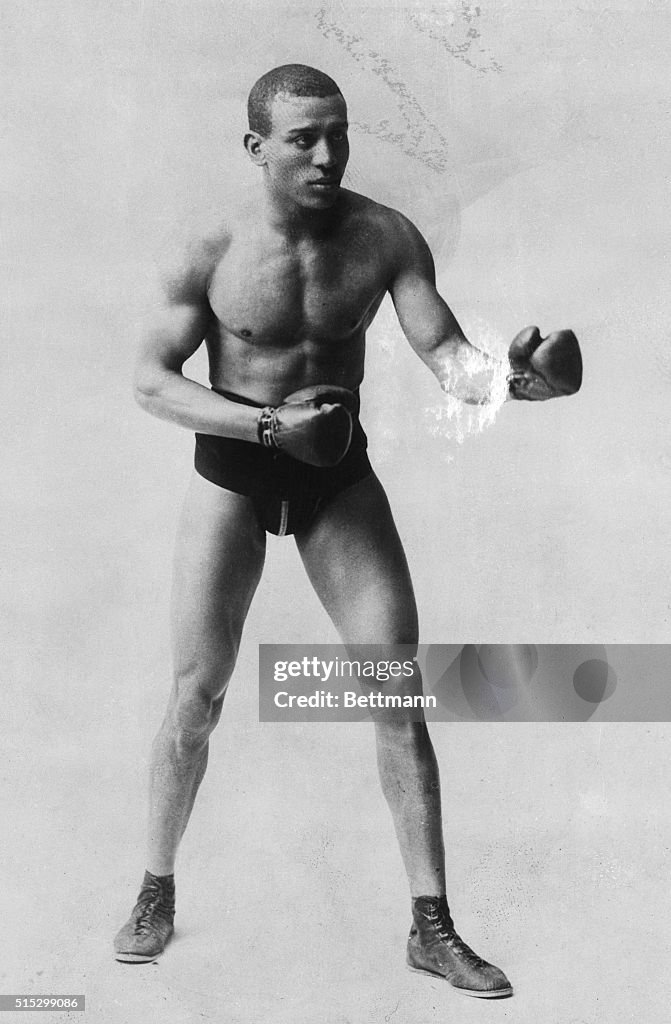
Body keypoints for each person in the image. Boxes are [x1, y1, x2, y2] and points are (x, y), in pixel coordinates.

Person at [114, 64, 581, 998]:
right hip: (234, 476)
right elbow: (150, 381)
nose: (327, 154)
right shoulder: (207, 243)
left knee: (394, 696)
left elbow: (445, 355)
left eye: (338, 133)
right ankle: (155, 889)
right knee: (195, 697)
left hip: (338, 483)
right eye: (302, 138)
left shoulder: (384, 237)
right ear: (257, 149)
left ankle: (432, 928)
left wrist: (511, 384)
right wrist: (266, 426)